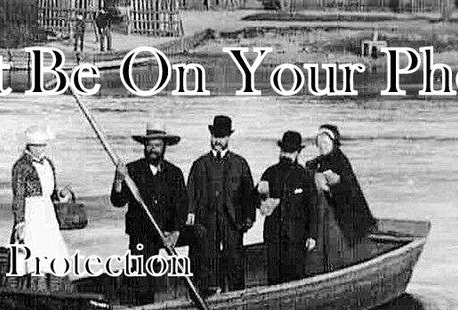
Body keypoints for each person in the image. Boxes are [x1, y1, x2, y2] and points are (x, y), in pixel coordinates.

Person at [110, 123, 213, 297]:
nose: (153, 149)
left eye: (157, 145)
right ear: (144, 146)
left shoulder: (174, 173)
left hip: (168, 233)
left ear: (164, 147)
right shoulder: (132, 171)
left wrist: (176, 233)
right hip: (143, 234)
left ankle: (202, 286)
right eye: (149, 145)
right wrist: (119, 181)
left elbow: (182, 207)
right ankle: (143, 300)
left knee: (199, 232)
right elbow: (118, 201)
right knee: (142, 286)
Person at [186, 115, 257, 292]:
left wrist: (249, 218)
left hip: (232, 223)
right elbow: (190, 194)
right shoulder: (199, 164)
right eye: (215, 136)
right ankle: (210, 295)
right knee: (207, 261)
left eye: (222, 137)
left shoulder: (240, 163)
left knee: (234, 261)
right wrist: (190, 213)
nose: (218, 140)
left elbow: (249, 194)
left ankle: (236, 295)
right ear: (210, 136)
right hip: (206, 223)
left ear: (228, 138)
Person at [305, 123, 378, 273]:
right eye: (319, 144)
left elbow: (349, 189)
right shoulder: (318, 161)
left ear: (333, 143)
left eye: (325, 143)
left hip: (340, 216)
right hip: (326, 212)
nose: (322, 147)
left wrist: (335, 183)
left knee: (336, 243)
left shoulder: (341, 161)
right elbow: (310, 170)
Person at [10, 125, 71, 288]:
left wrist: (61, 195)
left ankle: (55, 288)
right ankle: (36, 287)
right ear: (29, 146)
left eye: (42, 145)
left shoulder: (48, 163)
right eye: (36, 146)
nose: (40, 149)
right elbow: (19, 196)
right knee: (34, 251)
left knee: (53, 250)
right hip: (32, 213)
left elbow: (51, 192)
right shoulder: (21, 166)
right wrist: (20, 222)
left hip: (47, 212)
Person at [258, 131, 318, 285]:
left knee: (296, 276)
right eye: (284, 150)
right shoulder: (270, 173)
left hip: (297, 238)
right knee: (274, 277)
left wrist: (312, 236)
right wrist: (263, 202)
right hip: (274, 236)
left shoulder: (304, 176)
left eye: (290, 152)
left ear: (297, 153)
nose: (286, 155)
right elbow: (256, 198)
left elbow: (313, 207)